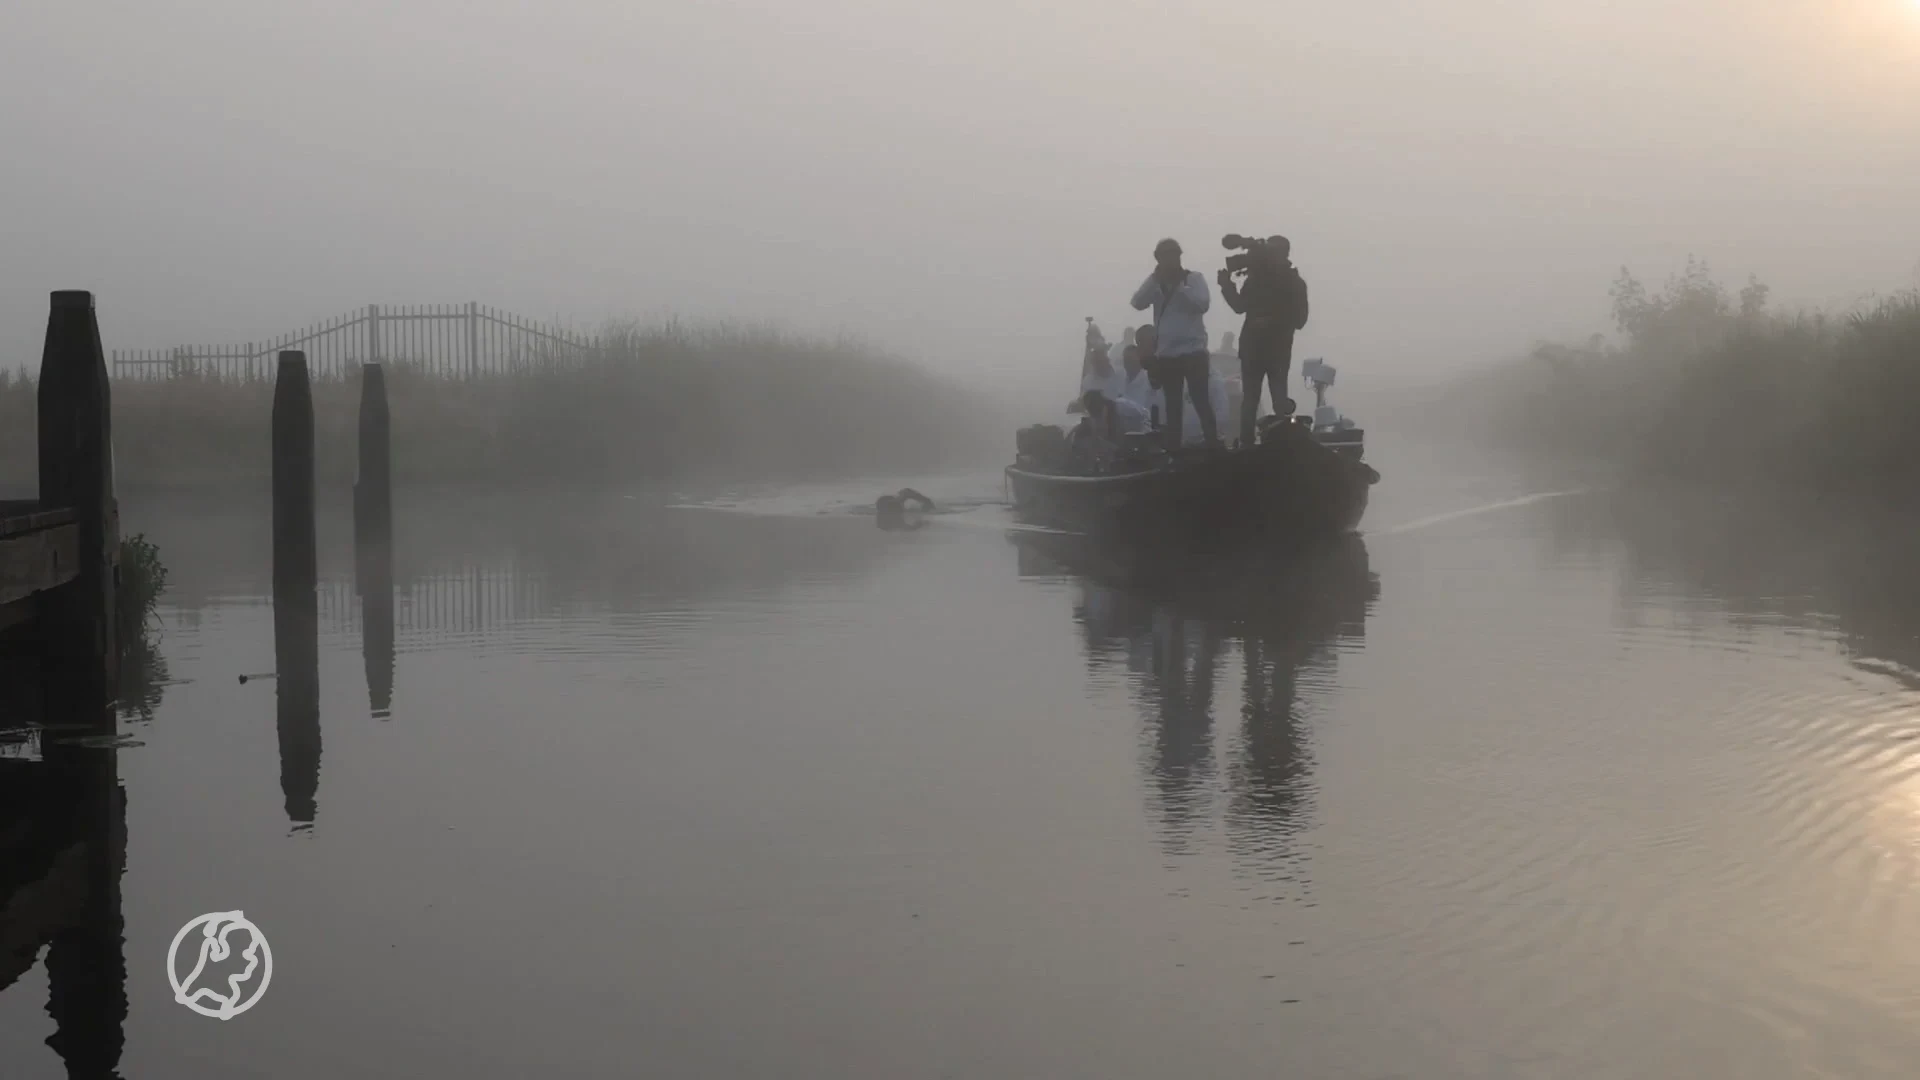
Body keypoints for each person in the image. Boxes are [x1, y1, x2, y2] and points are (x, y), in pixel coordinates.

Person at [1218, 235, 1310, 446]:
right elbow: (1240, 306)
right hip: (1255, 348)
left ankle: (1278, 442)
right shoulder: (1258, 279)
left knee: (1274, 399)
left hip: (1275, 349)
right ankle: (1248, 444)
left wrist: (1270, 320)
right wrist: (1226, 285)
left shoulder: (1293, 282)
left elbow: (1300, 320)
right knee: (1251, 399)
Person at [1130, 238, 1219, 450]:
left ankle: (1213, 444)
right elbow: (1137, 302)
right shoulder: (1156, 285)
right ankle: (1174, 451)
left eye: (1173, 256)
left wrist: (1180, 287)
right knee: (1173, 407)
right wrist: (1154, 279)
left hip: (1194, 351)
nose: (1171, 261)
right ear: (1159, 260)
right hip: (1168, 354)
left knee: (1201, 400)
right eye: (1165, 257)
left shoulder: (1193, 279)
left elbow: (1202, 304)